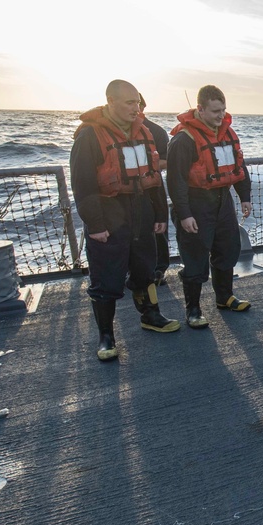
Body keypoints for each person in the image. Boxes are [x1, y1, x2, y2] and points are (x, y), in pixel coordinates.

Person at [71, 80, 180, 361]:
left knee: (145, 268)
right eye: (130, 103)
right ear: (111, 101)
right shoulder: (89, 136)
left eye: (138, 103)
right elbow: (82, 185)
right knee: (106, 277)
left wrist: (159, 214)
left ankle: (151, 315)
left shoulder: (144, 133)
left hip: (141, 209)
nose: (136, 108)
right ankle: (106, 336)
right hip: (108, 211)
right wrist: (95, 225)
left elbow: (153, 179)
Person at [167, 85, 253, 328]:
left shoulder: (227, 134)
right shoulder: (183, 140)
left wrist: (244, 196)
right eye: (216, 111)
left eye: (224, 110)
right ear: (200, 109)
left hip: (223, 201)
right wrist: (184, 214)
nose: (221, 116)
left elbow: (239, 166)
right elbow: (176, 181)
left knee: (227, 249)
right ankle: (193, 309)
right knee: (195, 259)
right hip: (196, 203)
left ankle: (224, 297)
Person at [139, 93, 171, 284]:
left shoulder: (157, 132)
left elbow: (167, 160)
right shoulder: (111, 133)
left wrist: (146, 167)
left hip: (153, 189)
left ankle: (159, 270)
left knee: (159, 231)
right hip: (126, 194)